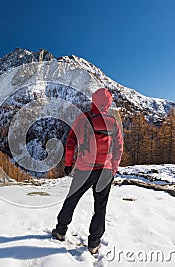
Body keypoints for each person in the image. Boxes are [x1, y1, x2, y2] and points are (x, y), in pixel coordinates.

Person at [52, 87, 123, 254]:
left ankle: (61, 230)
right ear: (109, 103)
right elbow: (119, 149)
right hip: (104, 171)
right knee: (100, 206)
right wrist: (113, 168)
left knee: (72, 199)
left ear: (93, 100)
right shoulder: (113, 122)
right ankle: (94, 243)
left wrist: (69, 163)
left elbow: (71, 142)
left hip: (85, 169)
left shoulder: (83, 118)